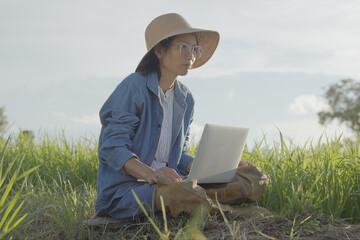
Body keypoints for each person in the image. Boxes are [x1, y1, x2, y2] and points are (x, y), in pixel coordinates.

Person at [95, 13, 269, 221]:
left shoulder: (186, 99)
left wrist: (223, 168)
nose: (191, 56)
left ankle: (201, 200)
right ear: (160, 50)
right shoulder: (134, 87)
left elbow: (178, 155)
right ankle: (228, 211)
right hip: (127, 192)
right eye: (183, 47)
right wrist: (151, 173)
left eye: (195, 49)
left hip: (175, 183)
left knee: (254, 177)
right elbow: (112, 147)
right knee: (179, 192)